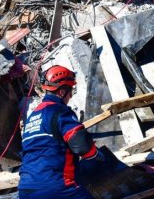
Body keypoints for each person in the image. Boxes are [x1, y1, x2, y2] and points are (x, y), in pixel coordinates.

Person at [18, 65, 102, 199]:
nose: (70, 96)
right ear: (62, 92)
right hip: (56, 187)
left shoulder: (32, 117)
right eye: (70, 91)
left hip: (26, 189)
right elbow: (81, 145)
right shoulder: (60, 112)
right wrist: (96, 155)